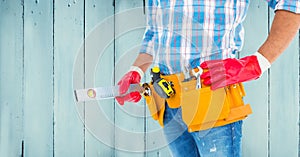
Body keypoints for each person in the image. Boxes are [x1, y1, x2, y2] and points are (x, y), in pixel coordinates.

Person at [116, 0, 300, 156]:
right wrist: (136, 70)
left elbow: (293, 5)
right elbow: (155, 31)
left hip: (212, 97)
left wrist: (256, 64)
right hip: (168, 102)